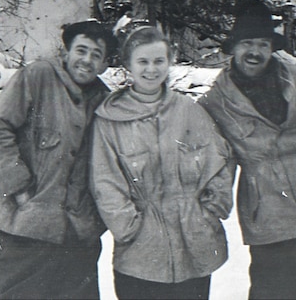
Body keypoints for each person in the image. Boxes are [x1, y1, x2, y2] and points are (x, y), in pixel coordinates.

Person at [199, 0, 296, 300]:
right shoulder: (215, 102)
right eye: (247, 43)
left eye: (263, 43)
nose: (255, 52)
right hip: (272, 219)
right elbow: (213, 166)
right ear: (233, 47)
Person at [0, 20, 118, 300]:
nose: (86, 60)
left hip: (78, 239)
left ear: (103, 64)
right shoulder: (38, 76)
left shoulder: (104, 101)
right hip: (24, 231)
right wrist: (19, 190)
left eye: (96, 55)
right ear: (66, 51)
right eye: (81, 50)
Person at [90, 26, 234, 300]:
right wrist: (130, 229)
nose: (151, 69)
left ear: (170, 61)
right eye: (142, 61)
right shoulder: (109, 119)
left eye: (159, 61)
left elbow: (221, 163)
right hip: (141, 255)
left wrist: (211, 210)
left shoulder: (190, 111)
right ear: (128, 64)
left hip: (195, 247)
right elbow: (105, 183)